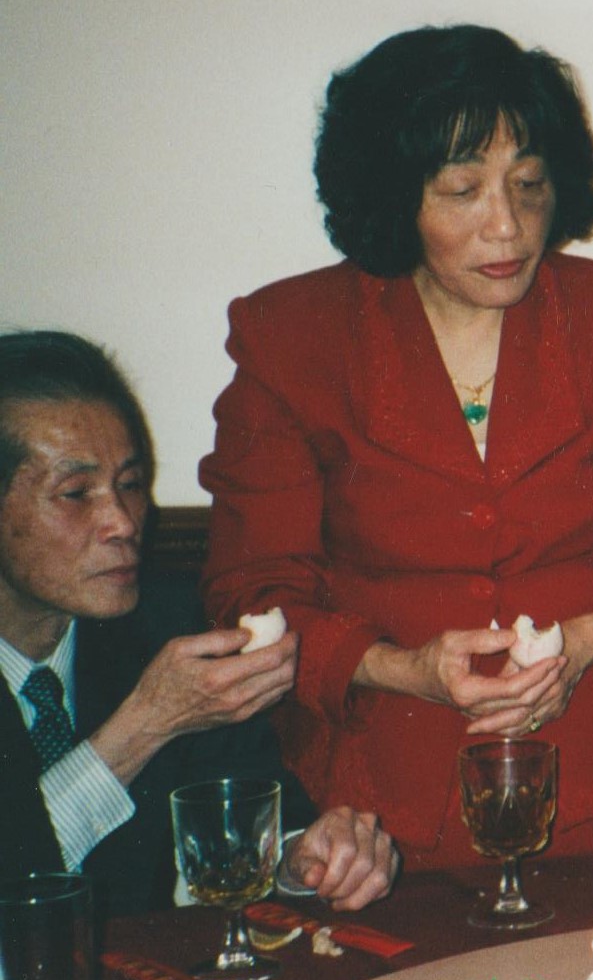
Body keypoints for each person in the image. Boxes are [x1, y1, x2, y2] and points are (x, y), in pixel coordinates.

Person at [200, 25, 593, 869]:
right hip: (374, 817)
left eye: (529, 184)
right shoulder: (291, 338)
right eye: (461, 190)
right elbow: (253, 591)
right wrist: (402, 668)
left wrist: (584, 644)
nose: (508, 227)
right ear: (392, 197)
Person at [0, 330, 398, 915]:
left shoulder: (166, 624)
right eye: (76, 493)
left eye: (130, 485)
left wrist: (303, 859)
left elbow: (249, 814)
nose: (123, 522)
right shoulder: (165, 686)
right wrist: (144, 725)